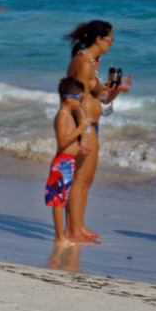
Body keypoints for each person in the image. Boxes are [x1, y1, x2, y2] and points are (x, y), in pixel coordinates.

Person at [64, 20, 131, 243]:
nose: (112, 44)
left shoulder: (90, 63)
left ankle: (78, 226)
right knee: (80, 179)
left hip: (91, 124)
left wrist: (118, 87)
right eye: (110, 40)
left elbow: (101, 96)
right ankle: (73, 230)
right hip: (84, 125)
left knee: (86, 180)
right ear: (98, 39)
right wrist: (83, 133)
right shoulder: (83, 62)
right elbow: (78, 99)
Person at [45, 76, 92, 242]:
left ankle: (63, 235)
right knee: (57, 200)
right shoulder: (62, 116)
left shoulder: (69, 115)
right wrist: (81, 129)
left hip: (68, 162)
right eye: (80, 99)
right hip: (62, 162)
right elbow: (62, 141)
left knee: (62, 199)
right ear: (69, 98)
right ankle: (59, 236)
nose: (81, 103)